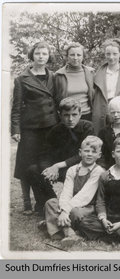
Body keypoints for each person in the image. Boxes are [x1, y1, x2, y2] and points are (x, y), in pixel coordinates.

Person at [11, 41, 59, 215]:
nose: (41, 57)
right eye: (38, 53)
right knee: (26, 165)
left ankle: (44, 200)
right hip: (30, 127)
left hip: (50, 127)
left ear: (48, 56)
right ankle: (26, 202)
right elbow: (16, 107)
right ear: (32, 55)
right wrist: (15, 129)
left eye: (44, 54)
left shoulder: (53, 76)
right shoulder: (22, 78)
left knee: (44, 164)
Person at [27, 98, 95, 215]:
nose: (70, 119)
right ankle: (49, 203)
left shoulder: (87, 128)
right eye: (66, 115)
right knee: (32, 170)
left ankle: (70, 206)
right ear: (60, 115)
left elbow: (84, 155)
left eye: (74, 115)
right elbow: (44, 154)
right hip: (61, 169)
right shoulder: (56, 130)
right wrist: (49, 169)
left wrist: (58, 165)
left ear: (80, 114)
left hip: (79, 168)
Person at [43, 136, 104, 248]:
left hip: (88, 206)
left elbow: (85, 196)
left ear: (99, 155)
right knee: (50, 203)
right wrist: (64, 209)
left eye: (93, 151)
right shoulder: (72, 169)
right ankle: (69, 233)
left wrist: (65, 211)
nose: (89, 154)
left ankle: (53, 224)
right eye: (86, 151)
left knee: (76, 213)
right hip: (71, 203)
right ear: (80, 153)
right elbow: (66, 193)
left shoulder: (98, 171)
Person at [78, 136, 120, 243]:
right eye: (119, 151)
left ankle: (104, 237)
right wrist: (103, 219)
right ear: (113, 154)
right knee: (85, 223)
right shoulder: (105, 175)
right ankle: (114, 236)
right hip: (108, 216)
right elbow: (100, 200)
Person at [92, 38, 120, 133]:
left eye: (115, 54)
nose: (111, 57)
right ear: (105, 54)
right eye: (108, 54)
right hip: (103, 111)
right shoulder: (97, 74)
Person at [54, 42, 94, 121]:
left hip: (87, 115)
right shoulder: (59, 75)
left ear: (83, 57)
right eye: (72, 55)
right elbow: (55, 98)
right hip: (68, 117)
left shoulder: (90, 72)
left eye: (79, 55)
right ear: (67, 56)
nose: (75, 58)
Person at [97, 96, 120, 170]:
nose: (115, 115)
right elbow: (100, 153)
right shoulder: (104, 131)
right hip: (107, 168)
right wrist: (102, 167)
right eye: (113, 112)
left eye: (119, 112)